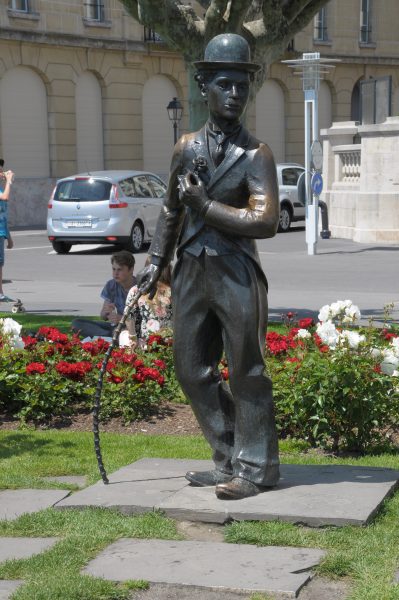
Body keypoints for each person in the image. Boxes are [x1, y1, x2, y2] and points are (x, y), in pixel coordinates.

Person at [137, 34, 281, 500]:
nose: (234, 94)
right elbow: (169, 210)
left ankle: (257, 469)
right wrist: (156, 261)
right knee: (191, 369)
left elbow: (264, 220)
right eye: (225, 84)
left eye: (241, 86)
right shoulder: (186, 147)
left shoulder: (256, 154)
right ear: (205, 87)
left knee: (247, 371)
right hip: (191, 271)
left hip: (237, 272)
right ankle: (228, 458)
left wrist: (207, 205)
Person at [72, 250, 136, 339]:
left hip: (132, 328)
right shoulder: (111, 285)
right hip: (114, 327)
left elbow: (144, 320)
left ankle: (110, 337)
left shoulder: (139, 288)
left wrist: (122, 319)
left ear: (131, 270)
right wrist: (106, 312)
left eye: (120, 269)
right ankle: (111, 337)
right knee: (77, 323)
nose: (115, 273)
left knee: (122, 332)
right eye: (114, 269)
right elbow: (102, 316)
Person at [121, 259, 172, 348]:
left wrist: (133, 337)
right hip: (170, 342)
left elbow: (128, 315)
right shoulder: (175, 291)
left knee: (124, 335)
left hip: (146, 342)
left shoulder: (137, 290)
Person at [0, 159, 15, 302]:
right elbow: (5, 197)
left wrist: (8, 237)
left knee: (0, 264)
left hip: (1, 232)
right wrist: (9, 181)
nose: (1, 173)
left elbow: (2, 217)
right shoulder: (2, 191)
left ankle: (0, 293)